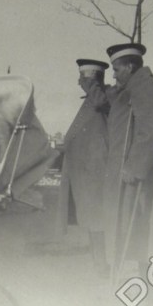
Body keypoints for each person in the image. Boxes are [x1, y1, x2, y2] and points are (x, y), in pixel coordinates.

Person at [103, 43, 153, 276]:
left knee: (136, 224)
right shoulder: (130, 87)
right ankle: (131, 275)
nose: (113, 74)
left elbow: (151, 129)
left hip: (136, 172)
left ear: (130, 66)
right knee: (125, 224)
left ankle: (144, 280)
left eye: (117, 68)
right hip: (125, 170)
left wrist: (135, 167)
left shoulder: (145, 87)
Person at [55, 59, 110, 275]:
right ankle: (98, 264)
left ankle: (101, 265)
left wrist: (92, 85)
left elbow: (100, 104)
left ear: (93, 79)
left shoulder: (102, 98)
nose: (79, 82)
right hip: (84, 172)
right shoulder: (92, 100)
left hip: (95, 171)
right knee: (90, 218)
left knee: (96, 219)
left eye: (83, 77)